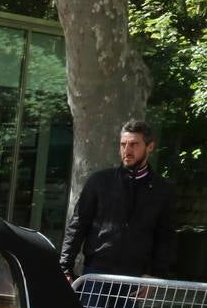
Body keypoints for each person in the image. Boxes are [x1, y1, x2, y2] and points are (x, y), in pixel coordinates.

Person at [59, 119, 177, 283]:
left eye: (134, 144)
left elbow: (165, 235)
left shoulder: (163, 189)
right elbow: (78, 224)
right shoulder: (99, 181)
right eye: (123, 144)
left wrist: (157, 275)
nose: (127, 150)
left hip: (135, 276)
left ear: (150, 147)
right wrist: (64, 267)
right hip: (96, 271)